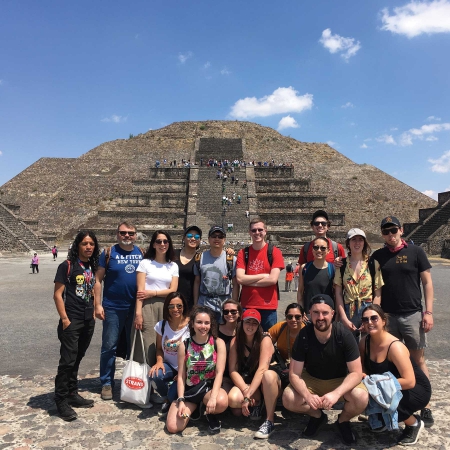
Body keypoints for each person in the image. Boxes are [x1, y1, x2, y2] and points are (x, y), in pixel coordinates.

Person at [372, 215, 435, 427]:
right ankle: (395, 402)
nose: (390, 235)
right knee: (391, 363)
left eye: (393, 230)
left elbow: (427, 283)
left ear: (401, 230)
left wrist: (428, 312)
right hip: (388, 317)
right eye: (386, 232)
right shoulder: (378, 256)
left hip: (412, 314)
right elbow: (365, 276)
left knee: (418, 360)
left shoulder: (416, 252)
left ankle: (425, 405)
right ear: (382, 234)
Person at [282, 294, 368, 445]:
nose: (320, 317)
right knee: (288, 399)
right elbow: (294, 373)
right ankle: (317, 416)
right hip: (312, 379)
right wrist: (308, 396)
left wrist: (336, 393)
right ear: (309, 314)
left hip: (339, 379)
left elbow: (356, 372)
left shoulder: (344, 335)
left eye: (325, 313)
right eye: (315, 312)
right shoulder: (304, 335)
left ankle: (343, 420)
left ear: (333, 314)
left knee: (361, 398)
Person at [360, 305, 431, 446]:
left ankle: (414, 423)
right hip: (391, 385)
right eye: (365, 319)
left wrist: (377, 385)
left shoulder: (395, 346)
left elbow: (410, 381)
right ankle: (383, 419)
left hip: (416, 389)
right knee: (363, 390)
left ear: (384, 321)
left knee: (381, 392)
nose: (370, 322)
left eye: (374, 318)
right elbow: (362, 371)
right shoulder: (364, 343)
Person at [94, 221, 144, 401]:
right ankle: (107, 382)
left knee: (135, 347)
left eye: (131, 233)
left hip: (135, 308)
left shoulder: (141, 253)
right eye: (123, 233)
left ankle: (134, 380)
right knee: (109, 346)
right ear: (117, 234)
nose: (127, 236)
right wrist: (98, 305)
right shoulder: (108, 253)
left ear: (136, 235)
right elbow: (98, 280)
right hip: (113, 307)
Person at [53, 230, 99, 421]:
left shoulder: (91, 266)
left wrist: (96, 309)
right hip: (71, 319)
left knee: (78, 357)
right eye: (84, 244)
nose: (88, 247)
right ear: (77, 246)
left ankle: (72, 393)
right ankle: (61, 399)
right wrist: (64, 318)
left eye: (91, 244)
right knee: (67, 361)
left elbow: (94, 287)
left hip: (88, 319)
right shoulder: (67, 266)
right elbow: (57, 294)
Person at [166, 306, 228, 434]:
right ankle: (197, 408)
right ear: (192, 324)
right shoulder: (185, 345)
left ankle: (207, 408)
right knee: (172, 427)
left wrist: (213, 397)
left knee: (220, 402)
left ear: (211, 325)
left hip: (208, 389)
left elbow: (219, 373)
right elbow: (182, 375)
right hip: (191, 391)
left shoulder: (218, 343)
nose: (203, 326)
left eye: (207, 323)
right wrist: (181, 399)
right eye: (199, 322)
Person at [228, 309, 280, 439]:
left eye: (254, 323)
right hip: (248, 380)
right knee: (234, 402)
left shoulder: (264, 339)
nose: (250, 326)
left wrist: (247, 396)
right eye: (247, 322)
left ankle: (269, 419)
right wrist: (246, 390)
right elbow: (232, 370)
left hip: (267, 381)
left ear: (259, 326)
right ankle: (257, 402)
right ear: (242, 323)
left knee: (267, 375)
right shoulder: (236, 341)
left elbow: (262, 369)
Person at [134, 230, 179, 366]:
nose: (162, 244)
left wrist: (152, 293)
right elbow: (141, 291)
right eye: (159, 241)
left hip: (167, 306)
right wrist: (138, 313)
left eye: (165, 241)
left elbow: (173, 290)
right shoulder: (145, 263)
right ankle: (145, 380)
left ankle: (160, 378)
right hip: (147, 306)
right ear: (153, 244)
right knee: (148, 342)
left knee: (166, 343)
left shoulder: (173, 265)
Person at [334, 228, 384, 341]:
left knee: (369, 346)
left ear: (364, 243)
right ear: (348, 243)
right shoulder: (341, 265)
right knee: (349, 347)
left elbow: (377, 293)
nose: (357, 243)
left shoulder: (372, 263)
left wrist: (372, 316)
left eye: (360, 240)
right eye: (354, 240)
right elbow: (338, 293)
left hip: (368, 308)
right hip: (348, 310)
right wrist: (344, 318)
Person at [236, 218, 285, 331]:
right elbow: (239, 278)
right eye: (254, 230)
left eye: (260, 230)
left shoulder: (274, 252)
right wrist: (262, 276)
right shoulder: (243, 253)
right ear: (249, 232)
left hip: (268, 307)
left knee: (268, 340)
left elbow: (272, 280)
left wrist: (248, 282)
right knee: (246, 341)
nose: (257, 233)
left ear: (265, 231)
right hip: (247, 305)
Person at [149, 292, 190, 417]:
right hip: (170, 365)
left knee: (173, 395)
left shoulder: (191, 326)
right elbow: (160, 348)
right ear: (167, 308)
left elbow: (194, 352)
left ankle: (170, 397)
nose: (175, 309)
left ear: (184, 307)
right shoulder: (161, 326)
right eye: (171, 306)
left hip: (185, 368)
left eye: (179, 306)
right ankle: (167, 397)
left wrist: (183, 373)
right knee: (155, 375)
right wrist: (159, 361)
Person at [193, 226, 239, 323]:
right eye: (214, 236)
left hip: (224, 305)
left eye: (220, 236)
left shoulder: (231, 259)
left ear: (224, 240)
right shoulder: (199, 258)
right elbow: (197, 282)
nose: (217, 239)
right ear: (209, 239)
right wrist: (195, 304)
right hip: (204, 303)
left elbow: (235, 284)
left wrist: (234, 305)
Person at [297, 236, 335, 313]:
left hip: (326, 314)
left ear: (328, 250)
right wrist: (301, 311)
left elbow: (336, 294)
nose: (319, 250)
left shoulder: (333, 269)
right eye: (316, 247)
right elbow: (300, 291)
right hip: (308, 314)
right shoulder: (304, 268)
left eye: (323, 248)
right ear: (312, 250)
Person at [268, 303, 306, 379]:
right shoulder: (280, 327)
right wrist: (265, 337)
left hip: (303, 369)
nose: (293, 320)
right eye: (290, 317)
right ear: (286, 317)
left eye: (298, 317)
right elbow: (265, 342)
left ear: (303, 317)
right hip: (282, 367)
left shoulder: (308, 331)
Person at [174, 225, 203, 312]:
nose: (193, 239)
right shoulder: (173, 254)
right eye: (190, 236)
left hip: (190, 302)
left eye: (197, 236)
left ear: (200, 240)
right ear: (184, 238)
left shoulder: (201, 258)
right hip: (173, 300)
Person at [218, 299, 242, 393]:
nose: (229, 314)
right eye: (226, 311)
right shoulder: (215, 330)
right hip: (221, 375)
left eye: (233, 311)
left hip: (238, 374)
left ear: (239, 313)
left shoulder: (244, 331)